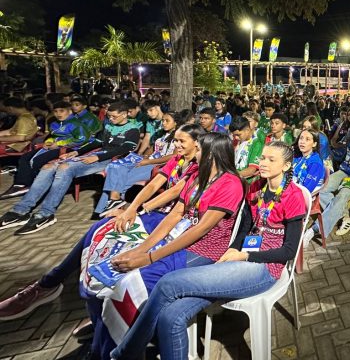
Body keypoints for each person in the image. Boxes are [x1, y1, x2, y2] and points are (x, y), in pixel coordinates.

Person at [109, 141, 307, 360]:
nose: (263, 163)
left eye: (272, 160)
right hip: (238, 260)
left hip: (264, 268)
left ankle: (125, 353)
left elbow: (289, 251)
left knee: (168, 283)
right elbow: (243, 228)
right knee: (170, 317)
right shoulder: (256, 187)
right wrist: (231, 251)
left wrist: (246, 255)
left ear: (286, 166)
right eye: (262, 158)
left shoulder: (294, 196)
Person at [0, 124, 204, 322]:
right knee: (100, 228)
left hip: (170, 220)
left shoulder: (200, 165)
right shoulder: (177, 160)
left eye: (181, 141)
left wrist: (138, 210)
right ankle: (48, 284)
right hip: (154, 212)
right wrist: (130, 208)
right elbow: (154, 185)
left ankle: (105, 311)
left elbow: (173, 192)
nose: (176, 144)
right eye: (175, 140)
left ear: (197, 143)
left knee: (116, 244)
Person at [91, 132, 242, 358]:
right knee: (113, 272)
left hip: (203, 250)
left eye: (199, 149)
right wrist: (141, 249)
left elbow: (200, 230)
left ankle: (121, 350)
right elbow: (175, 215)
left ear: (212, 154)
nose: (194, 153)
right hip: (178, 241)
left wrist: (150, 257)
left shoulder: (231, 184)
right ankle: (104, 342)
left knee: (131, 282)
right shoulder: (198, 176)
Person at [0, 101, 141, 233]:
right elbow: (96, 143)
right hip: (97, 154)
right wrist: (76, 152)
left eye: (114, 116)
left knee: (64, 168)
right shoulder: (108, 125)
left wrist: (97, 157)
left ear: (125, 114)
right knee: (48, 167)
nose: (110, 119)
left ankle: (46, 213)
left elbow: (124, 149)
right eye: (109, 116)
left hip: (111, 159)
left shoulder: (133, 129)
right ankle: (21, 210)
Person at [94, 111, 182, 215]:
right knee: (116, 169)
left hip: (158, 166)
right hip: (150, 161)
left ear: (176, 123)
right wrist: (143, 155)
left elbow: (173, 157)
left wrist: (148, 161)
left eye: (167, 121)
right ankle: (112, 203)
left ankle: (106, 209)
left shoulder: (178, 137)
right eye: (163, 120)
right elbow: (153, 148)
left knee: (120, 180)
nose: (163, 123)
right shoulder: (162, 134)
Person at [1, 101, 89, 199]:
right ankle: (20, 185)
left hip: (70, 148)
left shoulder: (76, 124)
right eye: (55, 111)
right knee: (25, 157)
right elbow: (53, 136)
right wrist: (49, 142)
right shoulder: (55, 124)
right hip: (54, 146)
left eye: (61, 111)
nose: (58, 114)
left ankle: (34, 185)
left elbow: (81, 139)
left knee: (37, 160)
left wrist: (59, 144)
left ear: (69, 112)